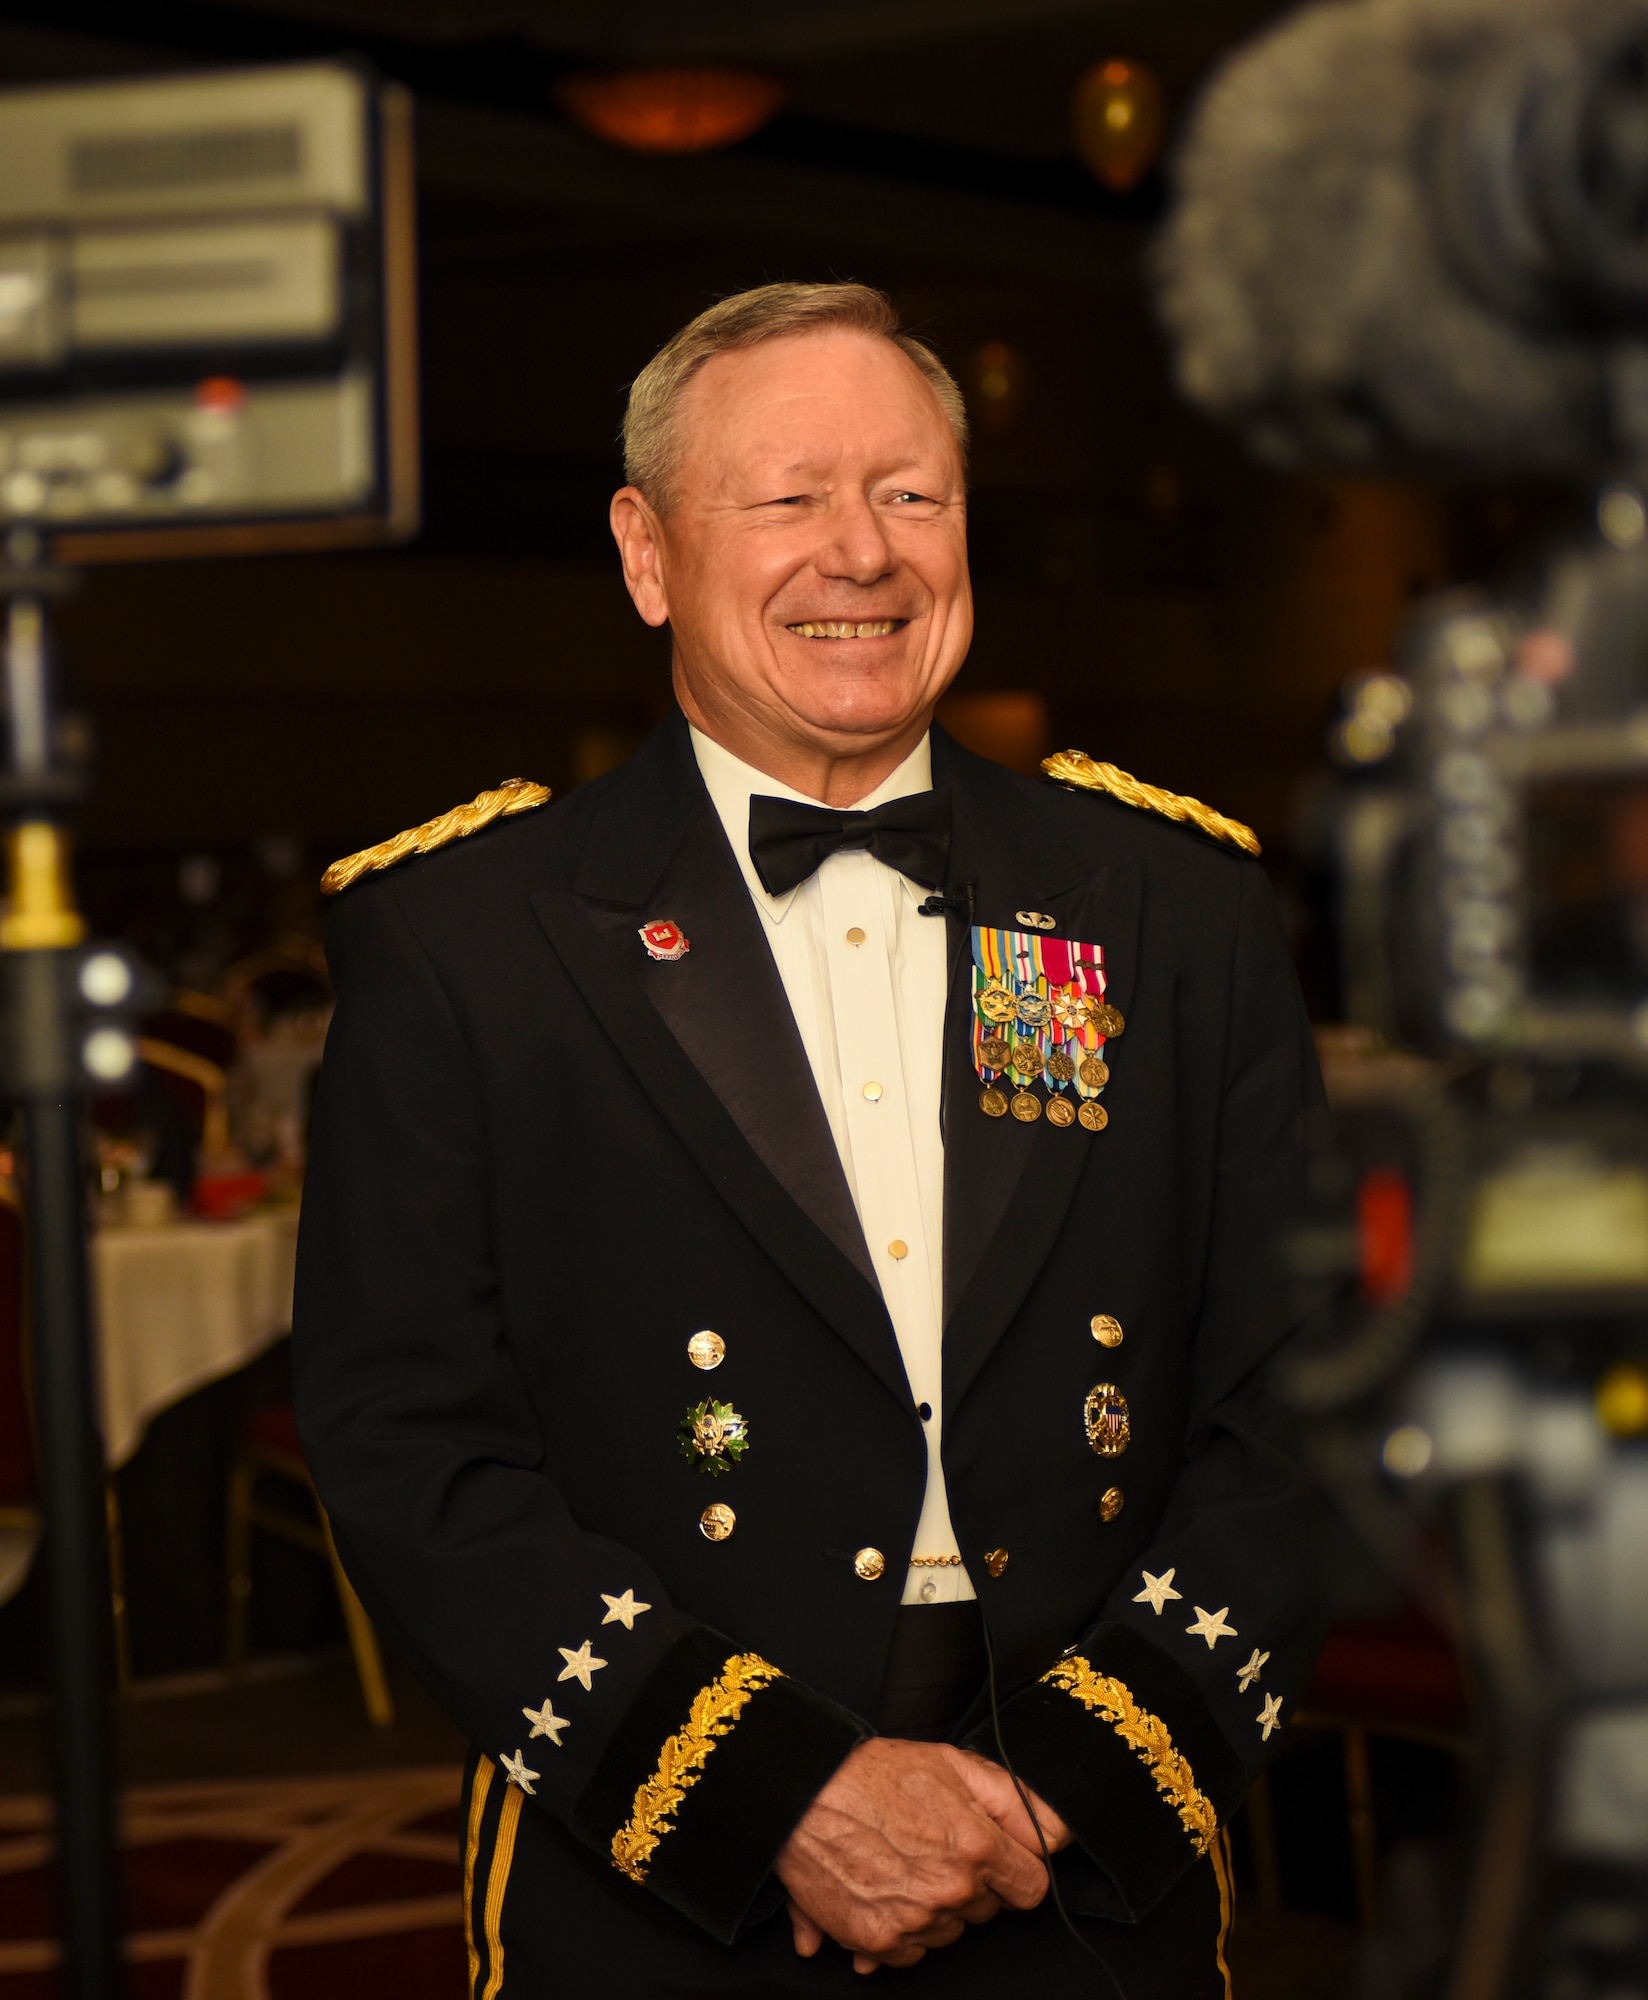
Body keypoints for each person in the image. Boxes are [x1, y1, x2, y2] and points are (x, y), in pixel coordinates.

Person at [293, 281, 1327, 1995]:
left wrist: (1062, 1792)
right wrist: (772, 1796)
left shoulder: (1167, 907)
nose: (863, 553)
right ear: (646, 554)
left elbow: (1309, 1392)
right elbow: (410, 1444)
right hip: (662, 1861)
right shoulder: (469, 938)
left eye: (912, 495)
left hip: (1081, 1851)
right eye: (788, 498)